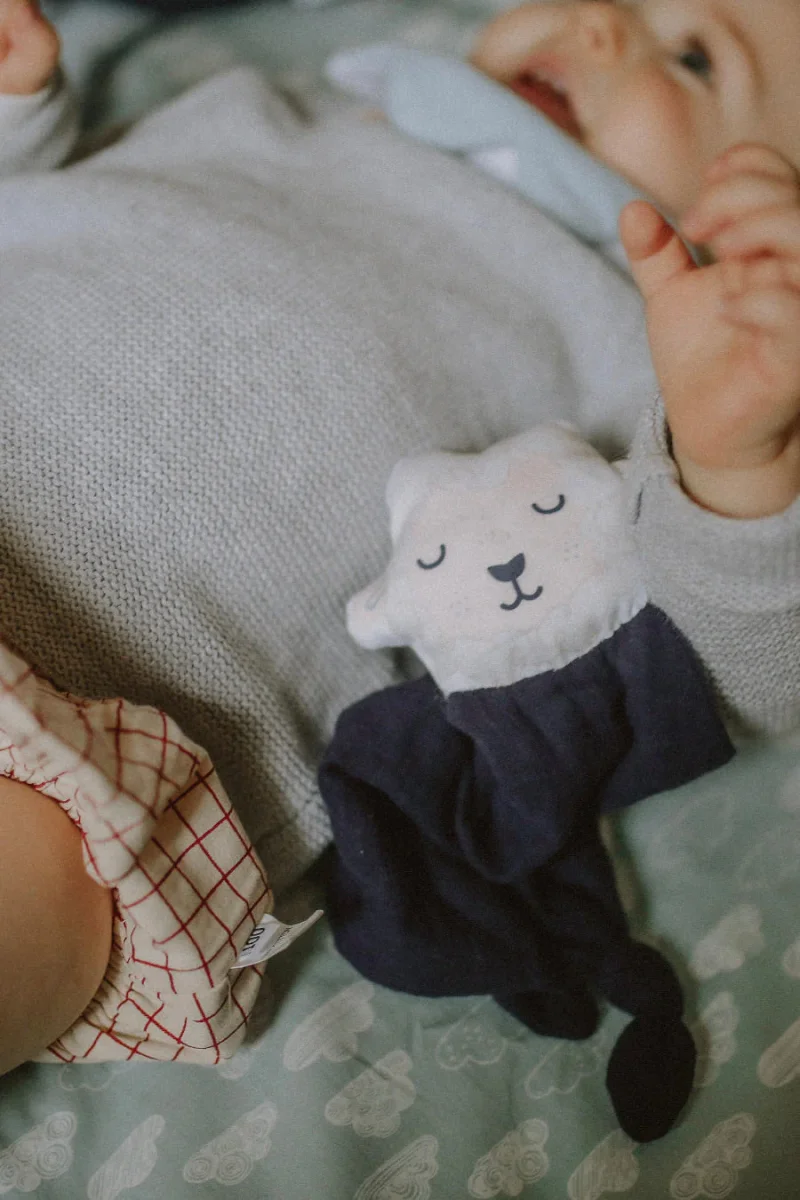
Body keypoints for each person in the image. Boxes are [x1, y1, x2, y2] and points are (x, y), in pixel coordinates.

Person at [0, 0, 797, 1073]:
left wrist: (736, 465)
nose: (602, 27)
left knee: (42, 894)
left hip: (84, 754)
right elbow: (54, 214)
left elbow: (723, 676)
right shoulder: (293, 105)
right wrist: (17, 116)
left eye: (695, 58)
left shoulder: (648, 355)